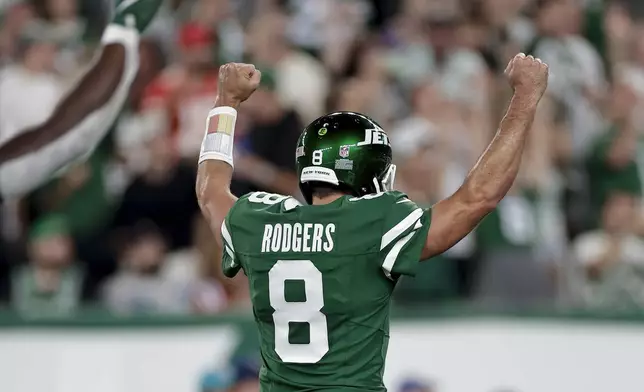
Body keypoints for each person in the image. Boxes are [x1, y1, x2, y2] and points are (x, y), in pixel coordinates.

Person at [195, 54, 548, 391]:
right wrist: (525, 99)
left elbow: (210, 191)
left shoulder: (257, 219)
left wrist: (225, 103)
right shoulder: (374, 220)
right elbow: (478, 197)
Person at [0, 0, 163, 199]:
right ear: (32, 49)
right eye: (49, 47)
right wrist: (127, 25)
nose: (54, 53)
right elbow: (63, 132)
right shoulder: (14, 82)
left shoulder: (28, 80)